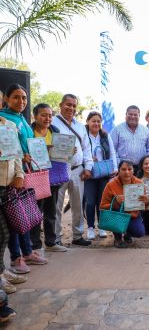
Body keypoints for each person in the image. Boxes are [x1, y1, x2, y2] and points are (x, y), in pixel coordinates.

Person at [0, 84, 48, 273]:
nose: (21, 101)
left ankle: (27, 251)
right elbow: (12, 150)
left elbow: (24, 146)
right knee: (12, 219)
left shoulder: (19, 120)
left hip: (21, 174)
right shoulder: (5, 119)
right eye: (16, 97)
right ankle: (16, 257)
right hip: (8, 178)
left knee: (24, 214)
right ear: (7, 99)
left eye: (24, 98)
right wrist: (21, 157)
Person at [52, 94, 94, 246]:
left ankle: (77, 236)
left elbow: (87, 148)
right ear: (61, 105)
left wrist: (88, 167)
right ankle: (55, 238)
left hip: (77, 170)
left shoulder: (80, 126)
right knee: (57, 206)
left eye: (74, 106)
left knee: (77, 205)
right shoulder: (52, 122)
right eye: (68, 104)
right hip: (58, 169)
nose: (71, 108)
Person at [30, 103, 68, 252]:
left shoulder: (55, 131)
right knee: (35, 212)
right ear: (35, 116)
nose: (47, 118)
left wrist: (68, 149)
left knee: (51, 210)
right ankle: (35, 245)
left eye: (50, 115)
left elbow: (60, 153)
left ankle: (51, 243)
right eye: (43, 115)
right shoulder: (29, 131)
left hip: (53, 176)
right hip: (35, 176)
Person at [0, 117, 27, 296]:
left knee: (6, 232)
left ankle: (2, 271)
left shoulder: (7, 125)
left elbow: (16, 153)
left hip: (8, 185)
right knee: (2, 233)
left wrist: (20, 174)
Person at [84, 111, 118, 240]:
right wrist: (87, 158)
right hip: (89, 174)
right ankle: (91, 227)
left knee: (102, 202)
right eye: (93, 121)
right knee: (90, 201)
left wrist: (114, 168)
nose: (96, 123)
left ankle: (102, 227)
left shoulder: (105, 135)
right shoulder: (84, 135)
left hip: (104, 172)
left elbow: (113, 152)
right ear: (88, 122)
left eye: (98, 121)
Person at [100, 160, 149, 248]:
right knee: (118, 209)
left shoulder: (139, 183)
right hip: (117, 215)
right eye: (123, 169)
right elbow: (102, 207)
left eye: (129, 169)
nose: (127, 172)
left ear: (133, 170)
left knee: (140, 232)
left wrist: (147, 202)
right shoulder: (110, 185)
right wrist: (115, 204)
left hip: (132, 215)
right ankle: (117, 237)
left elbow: (144, 208)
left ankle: (127, 234)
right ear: (118, 171)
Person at [110, 105, 149, 173]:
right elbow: (112, 148)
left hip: (140, 168)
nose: (133, 117)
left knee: (140, 184)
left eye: (135, 115)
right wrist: (119, 162)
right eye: (130, 114)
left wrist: (145, 161)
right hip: (123, 168)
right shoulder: (117, 130)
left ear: (139, 116)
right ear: (126, 115)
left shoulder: (146, 130)